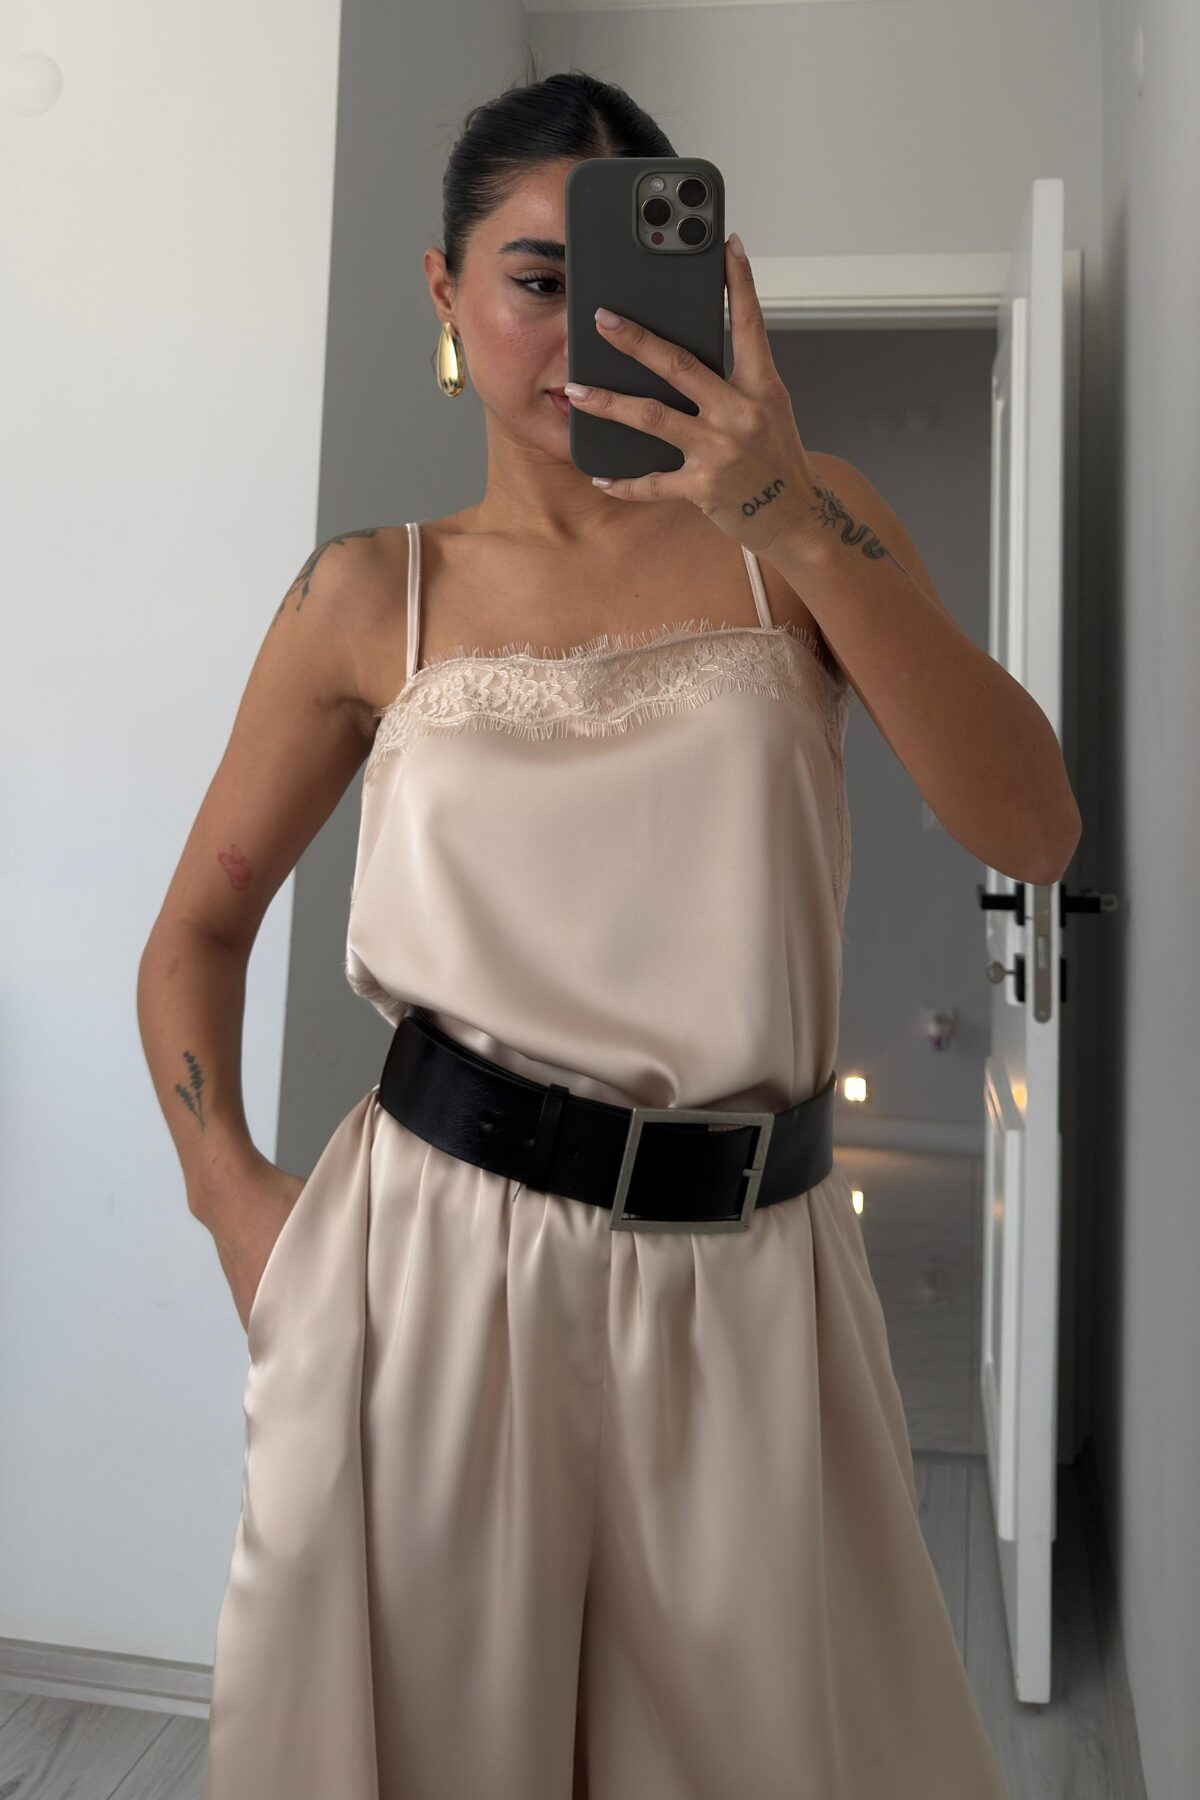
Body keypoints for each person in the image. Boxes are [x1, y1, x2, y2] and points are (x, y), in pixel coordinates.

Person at [136, 62, 1059, 1800]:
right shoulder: (369, 593)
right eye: (535, 279)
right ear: (444, 291)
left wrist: (791, 516)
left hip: (754, 1277)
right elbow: (195, 932)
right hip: (432, 1273)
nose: (583, 331)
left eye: (629, 277)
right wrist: (238, 1208)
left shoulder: (808, 535)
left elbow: (1036, 825)